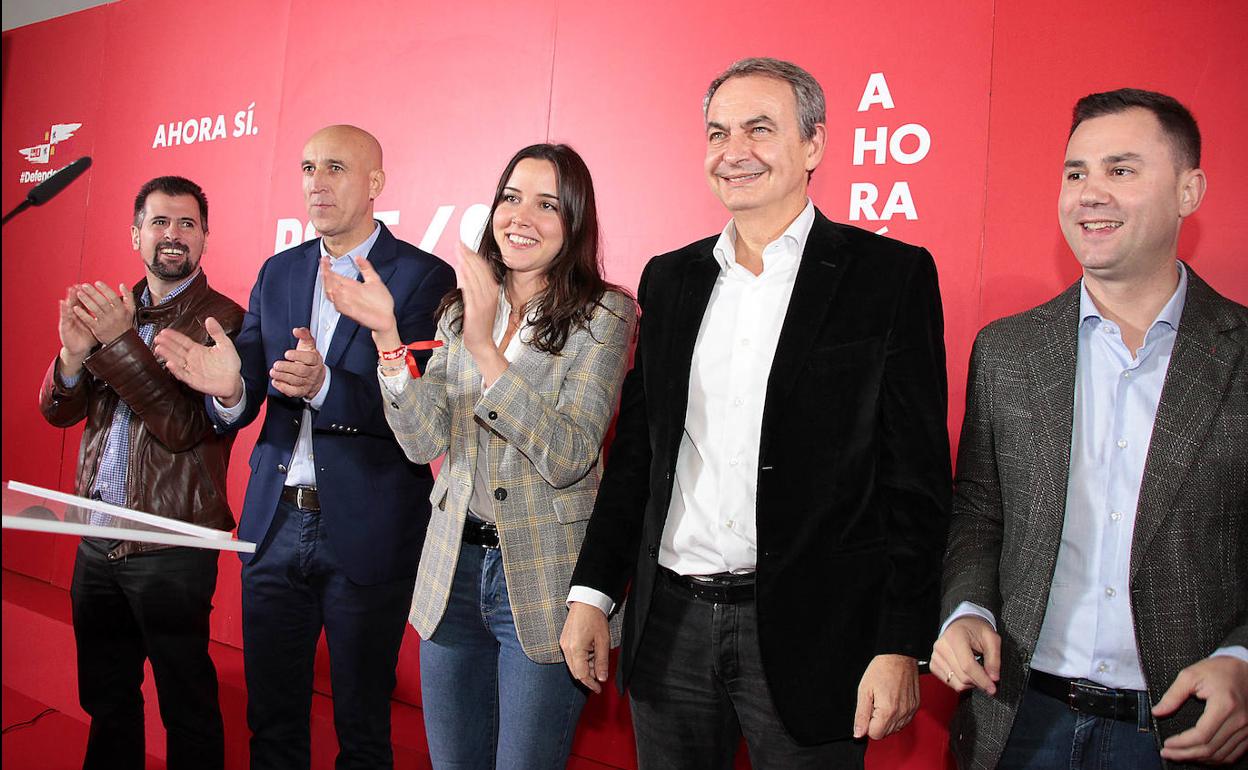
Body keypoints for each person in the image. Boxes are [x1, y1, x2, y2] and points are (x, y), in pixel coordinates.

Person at [560, 57, 952, 768]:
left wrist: (900, 643)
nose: (732, 151)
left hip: (817, 635)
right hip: (670, 626)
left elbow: (916, 485)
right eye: (717, 132)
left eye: (759, 129)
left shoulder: (887, 279)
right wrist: (593, 591)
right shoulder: (670, 278)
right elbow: (637, 460)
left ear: (814, 146)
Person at [932, 88, 1248, 769]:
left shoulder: (1242, 352)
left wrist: (1241, 659)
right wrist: (965, 611)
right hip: (1017, 722)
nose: (1088, 194)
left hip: (1181, 736)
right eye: (1075, 173)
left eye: (1121, 170)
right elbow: (980, 514)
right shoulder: (1008, 351)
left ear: (1189, 190)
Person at [321, 142, 635, 769]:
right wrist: (387, 337)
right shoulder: (462, 307)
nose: (522, 216)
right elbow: (421, 440)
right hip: (453, 573)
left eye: (547, 205)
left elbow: (569, 453)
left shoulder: (606, 314)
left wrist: (488, 350)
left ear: (575, 222)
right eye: (511, 198)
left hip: (545, 581)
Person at [154, 125, 455, 769]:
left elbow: (423, 411)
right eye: (308, 167)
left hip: (368, 528)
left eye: (336, 168)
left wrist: (326, 387)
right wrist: (230, 390)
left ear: (375, 183)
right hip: (275, 524)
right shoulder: (281, 269)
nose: (317, 182)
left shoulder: (424, 278)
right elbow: (251, 383)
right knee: (273, 719)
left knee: (363, 727)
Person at [38, 175, 243, 770]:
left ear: (205, 238)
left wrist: (118, 341)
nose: (173, 235)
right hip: (97, 537)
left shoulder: (221, 320)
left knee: (187, 704)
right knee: (106, 698)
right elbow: (58, 411)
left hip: (170, 541)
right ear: (136, 235)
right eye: (160, 222)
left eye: (187, 224)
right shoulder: (111, 310)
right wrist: (74, 356)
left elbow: (183, 427)